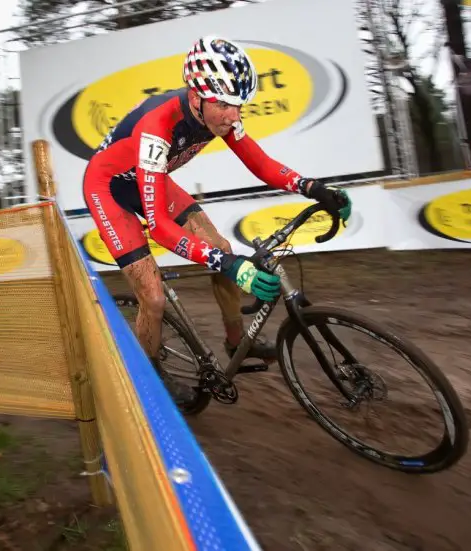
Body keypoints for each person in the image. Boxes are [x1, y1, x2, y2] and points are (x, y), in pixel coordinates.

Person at [82, 36, 352, 405]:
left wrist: (312, 187)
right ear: (196, 97)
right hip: (109, 188)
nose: (233, 116)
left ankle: (237, 341)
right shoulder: (157, 128)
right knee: (154, 297)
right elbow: (160, 226)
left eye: (239, 105)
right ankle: (148, 378)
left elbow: (260, 163)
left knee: (223, 248)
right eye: (225, 105)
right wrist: (228, 266)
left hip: (150, 177)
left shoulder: (220, 114)